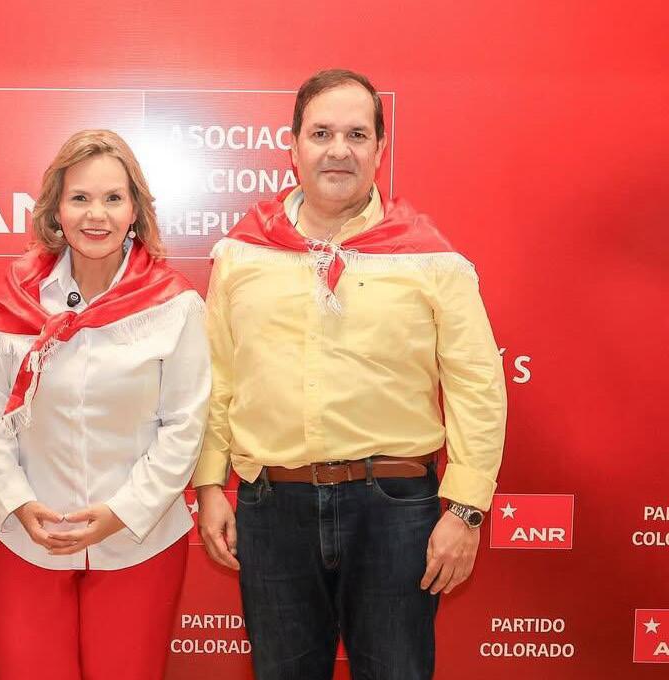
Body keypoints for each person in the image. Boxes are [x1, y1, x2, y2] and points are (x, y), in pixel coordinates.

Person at [193, 69, 507, 680]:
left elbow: (476, 385)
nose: (338, 149)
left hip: (395, 509)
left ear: (379, 149)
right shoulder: (241, 254)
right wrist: (209, 487)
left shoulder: (431, 259)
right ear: (293, 145)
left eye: (357, 135)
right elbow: (218, 377)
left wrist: (467, 511)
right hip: (271, 506)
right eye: (322, 133)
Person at [0, 129, 209, 680]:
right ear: (57, 209)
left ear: (135, 211)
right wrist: (17, 502)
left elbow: (184, 425)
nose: (96, 214)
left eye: (113, 198)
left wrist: (121, 513)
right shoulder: (16, 300)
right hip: (28, 537)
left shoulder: (175, 306)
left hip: (138, 539)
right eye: (79, 198)